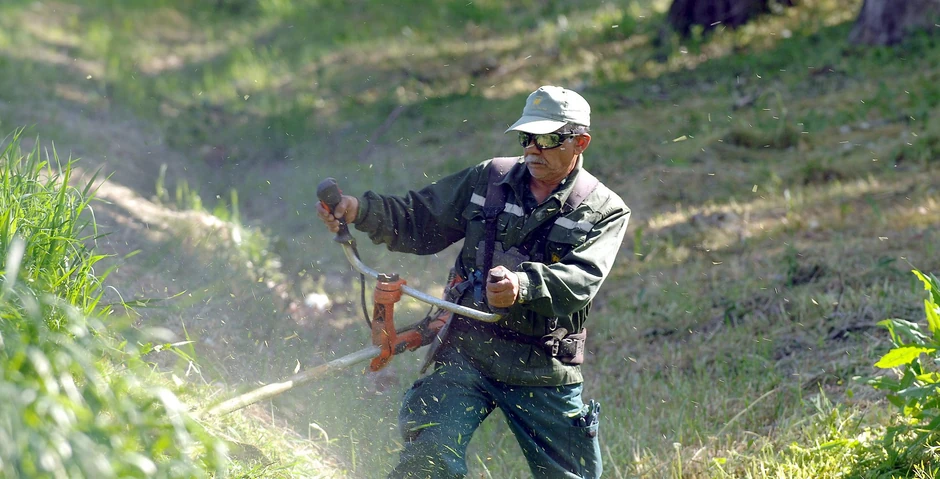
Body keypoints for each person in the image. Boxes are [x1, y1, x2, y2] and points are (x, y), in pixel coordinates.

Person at [317, 85, 630, 479]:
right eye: (526, 137)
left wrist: (523, 286)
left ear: (580, 141)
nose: (533, 148)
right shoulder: (490, 178)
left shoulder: (604, 210)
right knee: (428, 460)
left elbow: (581, 280)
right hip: (466, 352)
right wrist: (358, 210)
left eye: (549, 139)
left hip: (543, 366)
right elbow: (420, 221)